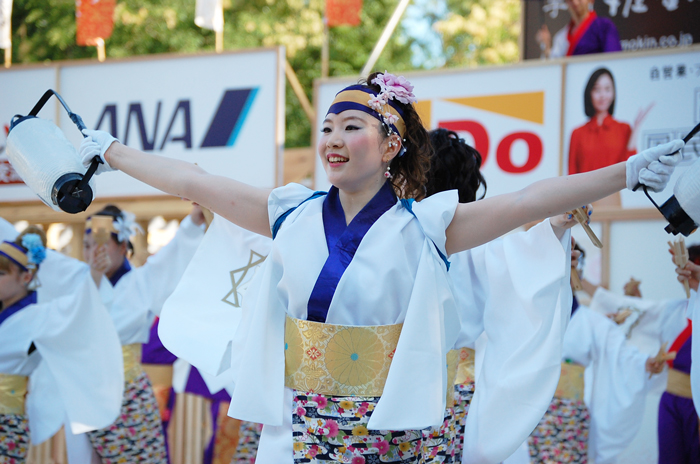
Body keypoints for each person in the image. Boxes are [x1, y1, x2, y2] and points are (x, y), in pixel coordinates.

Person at [77, 71, 684, 464]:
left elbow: (527, 202)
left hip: (400, 431)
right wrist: (108, 151)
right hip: (305, 427)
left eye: (352, 126)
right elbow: (194, 180)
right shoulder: (290, 211)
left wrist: (627, 172)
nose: (333, 138)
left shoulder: (428, 225)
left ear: (392, 145)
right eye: (329, 127)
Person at [426, 128, 579, 464]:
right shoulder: (463, 243)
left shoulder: (465, 244)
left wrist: (552, 228)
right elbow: (523, 260)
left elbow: (521, 252)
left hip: (430, 383)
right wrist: (552, 230)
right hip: (445, 385)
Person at [80, 204, 205, 464]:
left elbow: (175, 253)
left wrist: (193, 223)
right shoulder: (79, 285)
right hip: (83, 391)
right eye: (88, 245)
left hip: (127, 394)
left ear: (124, 246)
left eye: (102, 245)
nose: (94, 253)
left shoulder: (140, 282)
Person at [0, 224, 123, 464]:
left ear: (26, 277)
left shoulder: (39, 316)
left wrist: (95, 275)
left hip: (6, 420)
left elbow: (78, 309)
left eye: (1, 274)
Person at [568, 68, 653, 207]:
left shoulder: (623, 128)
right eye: (597, 90)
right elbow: (571, 175)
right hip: (583, 199)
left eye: (607, 89)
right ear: (589, 93)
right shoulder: (577, 133)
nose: (603, 95)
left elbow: (628, 167)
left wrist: (636, 129)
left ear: (613, 93)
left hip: (610, 197)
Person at [536, 0, 621, 59]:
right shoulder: (561, 37)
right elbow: (556, 69)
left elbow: (614, 60)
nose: (575, 2)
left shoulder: (604, 26)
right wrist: (546, 48)